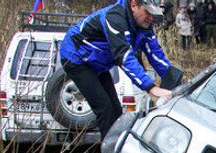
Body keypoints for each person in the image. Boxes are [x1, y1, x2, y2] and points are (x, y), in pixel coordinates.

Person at [60, 0, 173, 137]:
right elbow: (124, 57)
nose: (151, 18)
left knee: (116, 111)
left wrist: (175, 81)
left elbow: (155, 54)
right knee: (105, 108)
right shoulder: (114, 18)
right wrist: (150, 87)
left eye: (153, 14)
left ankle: (118, 147)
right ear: (133, 5)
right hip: (76, 58)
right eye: (148, 12)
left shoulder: (143, 25)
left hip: (97, 62)